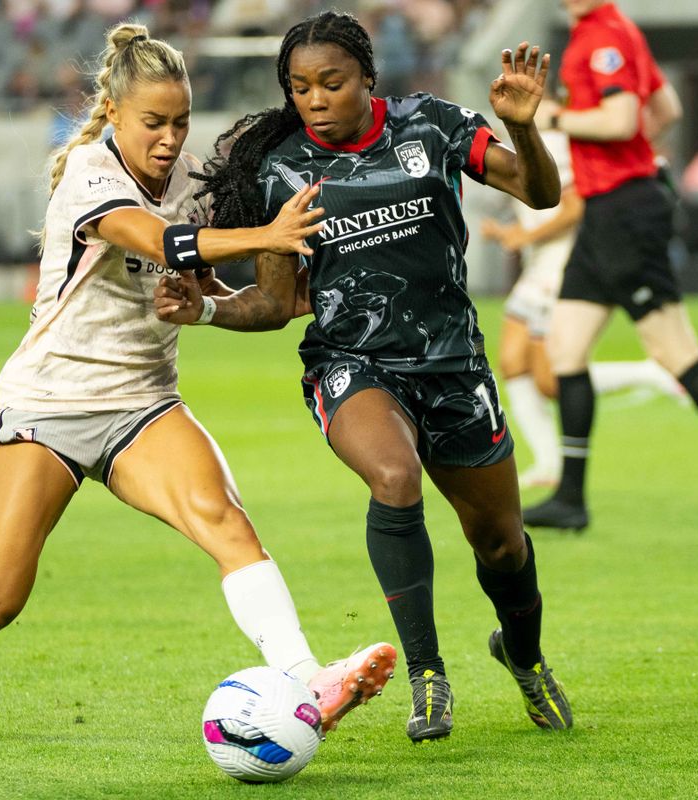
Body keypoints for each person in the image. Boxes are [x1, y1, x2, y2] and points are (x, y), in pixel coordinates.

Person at [0, 23, 396, 750]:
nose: (170, 138)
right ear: (114, 112)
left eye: (181, 122)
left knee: (228, 524)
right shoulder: (91, 170)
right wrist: (263, 237)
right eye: (153, 122)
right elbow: (158, 242)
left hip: (143, 403)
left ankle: (307, 680)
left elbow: (206, 277)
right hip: (48, 407)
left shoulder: (191, 180)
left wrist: (223, 298)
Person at [168, 11, 573, 741]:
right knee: (394, 477)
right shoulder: (281, 168)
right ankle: (428, 676)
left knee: (502, 543)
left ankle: (524, 654)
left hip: (453, 363)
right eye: (299, 88)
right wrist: (205, 312)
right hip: (351, 363)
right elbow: (272, 300)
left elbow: (542, 196)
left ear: (368, 77)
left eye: (331, 83)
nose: (314, 100)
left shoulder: (433, 125)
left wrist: (523, 127)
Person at [522, 0, 698, 534]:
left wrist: (549, 115)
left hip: (625, 214)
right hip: (606, 212)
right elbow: (668, 110)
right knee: (565, 350)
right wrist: (632, 157)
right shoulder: (616, 30)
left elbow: (621, 120)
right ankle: (570, 498)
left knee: (675, 353)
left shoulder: (602, 39)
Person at [481, 106, 683, 488]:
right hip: (535, 268)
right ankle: (548, 463)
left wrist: (524, 238)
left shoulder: (554, 143)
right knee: (510, 364)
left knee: (549, 381)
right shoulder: (512, 145)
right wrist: (511, 234)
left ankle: (650, 373)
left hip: (560, 269)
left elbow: (573, 206)